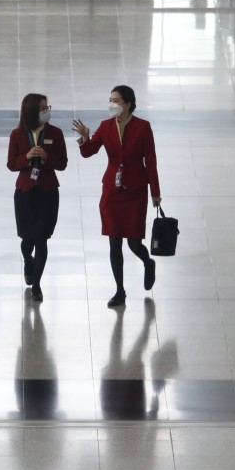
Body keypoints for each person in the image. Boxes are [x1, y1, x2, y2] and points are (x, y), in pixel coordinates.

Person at [72, 85, 161, 307]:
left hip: (135, 191)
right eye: (110, 100)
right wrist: (84, 138)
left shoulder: (143, 127)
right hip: (112, 192)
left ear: (128, 104)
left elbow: (150, 161)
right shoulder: (105, 126)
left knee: (134, 242)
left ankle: (147, 262)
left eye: (116, 100)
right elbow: (88, 152)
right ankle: (120, 291)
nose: (112, 104)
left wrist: (155, 192)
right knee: (114, 243)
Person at [7, 93, 68, 302]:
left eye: (47, 108)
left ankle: (37, 285)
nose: (46, 112)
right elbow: (11, 164)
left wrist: (46, 157)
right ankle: (28, 260)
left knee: (42, 239)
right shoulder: (17, 135)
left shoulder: (56, 133)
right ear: (31, 111)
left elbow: (63, 163)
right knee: (27, 240)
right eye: (42, 108)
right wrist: (27, 157)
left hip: (47, 193)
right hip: (25, 193)